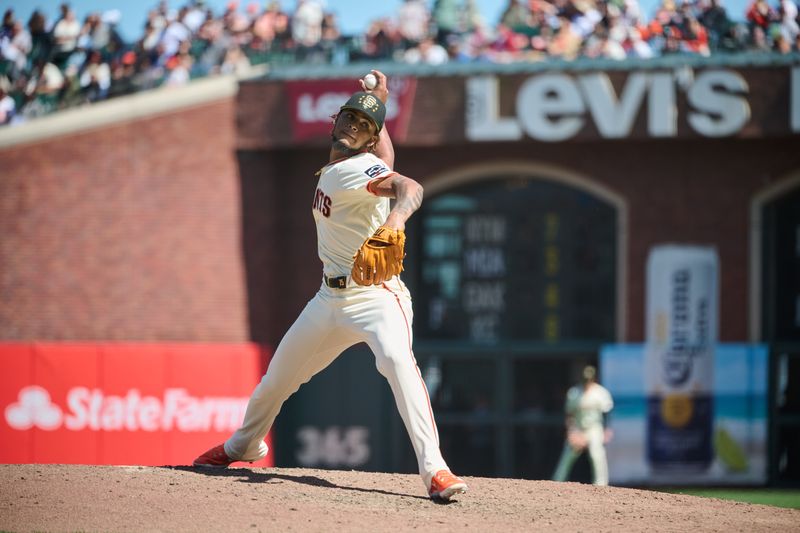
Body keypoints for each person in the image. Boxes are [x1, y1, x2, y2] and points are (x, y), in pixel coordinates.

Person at [193, 70, 468, 502]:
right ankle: (242, 445)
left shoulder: (360, 168)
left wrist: (395, 219)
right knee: (276, 380)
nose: (353, 127)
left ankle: (436, 471)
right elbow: (387, 157)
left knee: (398, 362)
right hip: (328, 298)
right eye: (350, 118)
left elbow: (408, 186)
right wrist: (377, 97)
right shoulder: (343, 162)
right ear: (336, 119)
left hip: (376, 296)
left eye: (364, 126)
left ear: (369, 138)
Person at [552, 365, 614, 486]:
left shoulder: (600, 392)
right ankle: (556, 483)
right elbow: (569, 415)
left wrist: (606, 430)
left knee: (596, 454)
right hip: (578, 429)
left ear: (594, 379)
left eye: (589, 380)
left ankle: (601, 485)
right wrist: (571, 432)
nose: (587, 382)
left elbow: (607, 413)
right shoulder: (574, 392)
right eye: (585, 380)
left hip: (594, 428)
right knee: (567, 455)